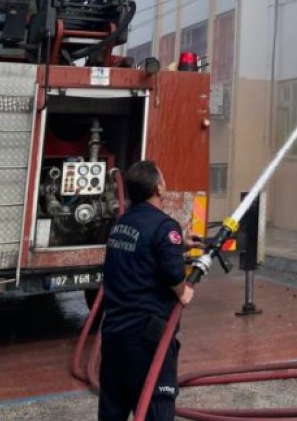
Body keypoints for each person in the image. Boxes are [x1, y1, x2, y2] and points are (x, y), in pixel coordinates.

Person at [98, 160, 202, 421]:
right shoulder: (164, 226)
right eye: (163, 179)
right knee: (156, 410)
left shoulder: (121, 223)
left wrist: (179, 246)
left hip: (114, 336)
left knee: (113, 410)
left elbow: (142, 253)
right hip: (148, 341)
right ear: (158, 188)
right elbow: (172, 273)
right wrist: (182, 292)